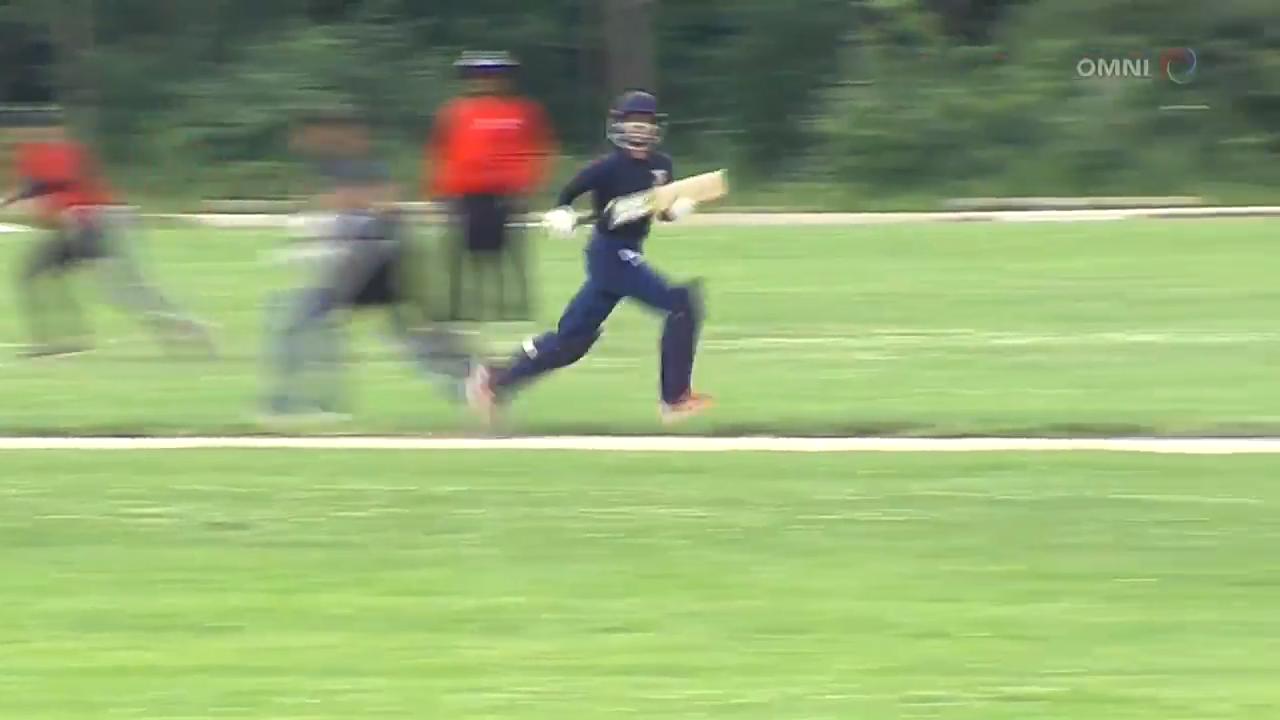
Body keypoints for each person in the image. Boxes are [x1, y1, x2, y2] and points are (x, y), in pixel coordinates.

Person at [466, 90, 713, 424]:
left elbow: (659, 209)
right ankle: (674, 397)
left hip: (627, 253)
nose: (640, 131)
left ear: (656, 128)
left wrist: (676, 211)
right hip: (609, 252)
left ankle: (495, 382)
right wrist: (561, 216)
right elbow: (566, 197)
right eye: (633, 123)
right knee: (682, 303)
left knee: (572, 341)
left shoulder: (661, 166)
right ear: (619, 126)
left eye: (646, 124)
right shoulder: (606, 168)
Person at [264, 108, 470, 420]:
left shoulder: (356, 167)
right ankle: (468, 380)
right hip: (368, 265)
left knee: (300, 322)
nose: (303, 140)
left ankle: (301, 402)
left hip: (370, 266)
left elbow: (381, 206)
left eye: (310, 132)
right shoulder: (342, 165)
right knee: (404, 332)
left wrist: (348, 217)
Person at [0, 106, 214, 358]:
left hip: (97, 221)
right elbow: (42, 193)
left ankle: (189, 328)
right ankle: (59, 340)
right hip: (79, 224)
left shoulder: (62, 151)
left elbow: (54, 184)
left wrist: (13, 200)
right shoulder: (33, 154)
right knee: (34, 273)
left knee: (123, 291)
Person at [423, 50, 555, 322]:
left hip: (506, 192)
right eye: (478, 76)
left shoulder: (524, 112)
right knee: (458, 253)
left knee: (509, 253)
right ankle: (456, 307)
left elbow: (538, 150)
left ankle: (514, 306)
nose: (485, 82)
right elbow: (440, 152)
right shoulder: (454, 113)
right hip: (465, 192)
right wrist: (438, 190)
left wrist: (529, 185)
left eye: (494, 76)